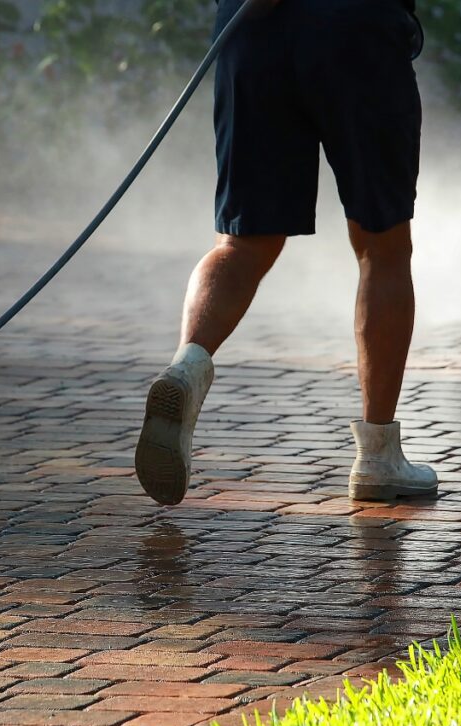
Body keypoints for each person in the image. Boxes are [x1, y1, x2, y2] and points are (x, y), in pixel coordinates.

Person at [135, 0, 436, 506]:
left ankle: (187, 367)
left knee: (240, 244)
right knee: (381, 246)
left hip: (253, 29)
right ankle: (379, 456)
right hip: (354, 30)